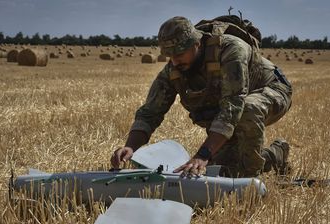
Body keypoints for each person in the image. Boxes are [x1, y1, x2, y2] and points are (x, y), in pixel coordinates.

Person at [111, 16, 292, 177]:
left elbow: (233, 106)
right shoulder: (174, 70)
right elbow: (150, 112)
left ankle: (251, 177)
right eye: (169, 56)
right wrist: (130, 147)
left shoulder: (230, 50)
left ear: (196, 44)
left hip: (271, 91)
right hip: (232, 110)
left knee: (247, 110)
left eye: (179, 54)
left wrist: (202, 155)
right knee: (225, 172)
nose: (174, 61)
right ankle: (276, 154)